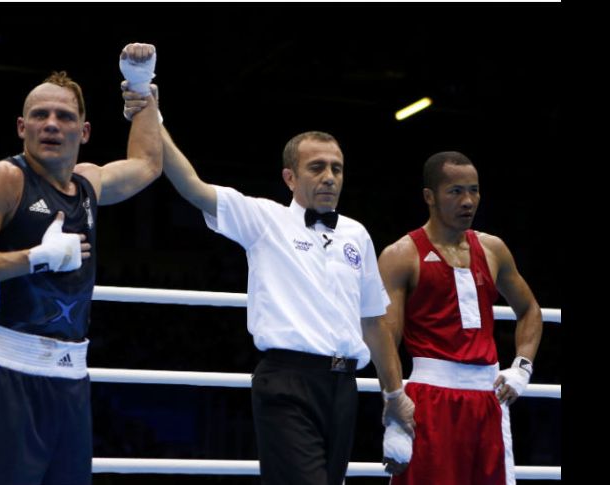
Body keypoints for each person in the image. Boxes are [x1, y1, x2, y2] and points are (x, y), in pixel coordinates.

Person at [122, 87, 415, 485]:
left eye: (337, 168)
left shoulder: (357, 234)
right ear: (289, 177)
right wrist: (153, 118)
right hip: (287, 383)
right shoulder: (264, 219)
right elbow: (193, 185)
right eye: (316, 168)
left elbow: (373, 324)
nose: (329, 177)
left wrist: (393, 397)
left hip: (344, 387)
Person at [0, 43, 161, 485]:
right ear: (22, 127)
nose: (51, 125)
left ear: (85, 131)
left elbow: (148, 164)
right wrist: (34, 260)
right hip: (9, 375)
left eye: (64, 117)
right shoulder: (4, 179)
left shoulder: (90, 184)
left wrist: (141, 89)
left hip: (71, 377)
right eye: (39, 115)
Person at [377, 151, 544, 485]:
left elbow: (530, 310)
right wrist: (394, 405)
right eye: (455, 191)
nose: (468, 201)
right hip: (430, 399)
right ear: (430, 197)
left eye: (474, 190)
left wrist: (522, 366)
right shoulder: (401, 256)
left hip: (488, 399)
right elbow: (385, 339)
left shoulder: (493, 249)